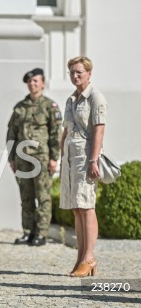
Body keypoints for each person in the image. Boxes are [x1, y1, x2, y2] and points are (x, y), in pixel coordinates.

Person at [60, 56, 106, 277]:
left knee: (87, 206)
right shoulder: (71, 99)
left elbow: (99, 130)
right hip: (70, 157)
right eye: (72, 73)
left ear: (89, 73)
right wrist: (61, 156)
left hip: (85, 155)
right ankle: (81, 256)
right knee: (76, 207)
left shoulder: (95, 97)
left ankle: (89, 257)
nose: (75, 76)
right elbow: (66, 130)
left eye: (79, 72)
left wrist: (93, 160)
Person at [7, 68, 62, 246]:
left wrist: (54, 158)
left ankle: (41, 233)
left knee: (43, 195)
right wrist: (11, 157)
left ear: (43, 83)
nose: (32, 84)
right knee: (26, 197)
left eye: (36, 81)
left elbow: (56, 134)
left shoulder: (49, 107)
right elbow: (11, 134)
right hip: (23, 159)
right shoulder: (20, 107)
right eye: (30, 82)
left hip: (41, 158)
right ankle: (28, 232)